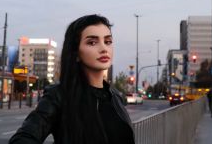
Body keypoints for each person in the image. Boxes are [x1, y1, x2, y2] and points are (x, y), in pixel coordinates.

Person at [9, 14, 135, 144]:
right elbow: (22, 139)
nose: (104, 48)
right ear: (76, 53)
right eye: (92, 42)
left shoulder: (115, 96)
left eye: (108, 42)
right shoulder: (59, 96)